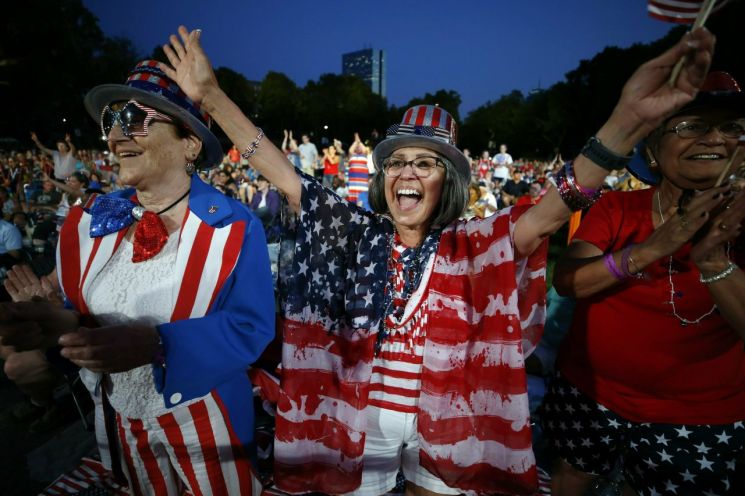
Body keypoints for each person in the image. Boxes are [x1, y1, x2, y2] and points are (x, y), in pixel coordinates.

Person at [156, 25, 715, 495]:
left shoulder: (475, 243)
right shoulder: (355, 234)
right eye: (397, 161)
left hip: (449, 423)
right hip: (360, 424)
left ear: (447, 179)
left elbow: (557, 205)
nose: (407, 173)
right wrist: (209, 96)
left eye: (426, 163)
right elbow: (277, 169)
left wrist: (627, 119)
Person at [0, 59, 274, 495]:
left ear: (190, 144)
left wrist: (158, 344)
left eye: (135, 118)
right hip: (118, 419)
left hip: (207, 422)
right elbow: (84, 316)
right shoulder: (89, 221)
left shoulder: (233, 228)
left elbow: (251, 329)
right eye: (110, 119)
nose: (113, 135)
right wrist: (60, 324)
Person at [543, 71, 745, 496]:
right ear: (652, 151)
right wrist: (650, 249)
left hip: (701, 416)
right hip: (589, 392)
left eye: (732, 128)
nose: (714, 139)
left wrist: (711, 259)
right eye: (692, 126)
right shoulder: (618, 208)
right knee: (570, 477)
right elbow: (568, 281)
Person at [347, 132, 370, 204]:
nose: (358, 147)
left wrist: (359, 141)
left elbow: (364, 149)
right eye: (356, 147)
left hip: (363, 184)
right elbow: (350, 149)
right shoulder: (351, 155)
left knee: (363, 202)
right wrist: (356, 142)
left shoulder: (364, 155)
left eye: (359, 146)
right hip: (353, 184)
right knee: (353, 204)